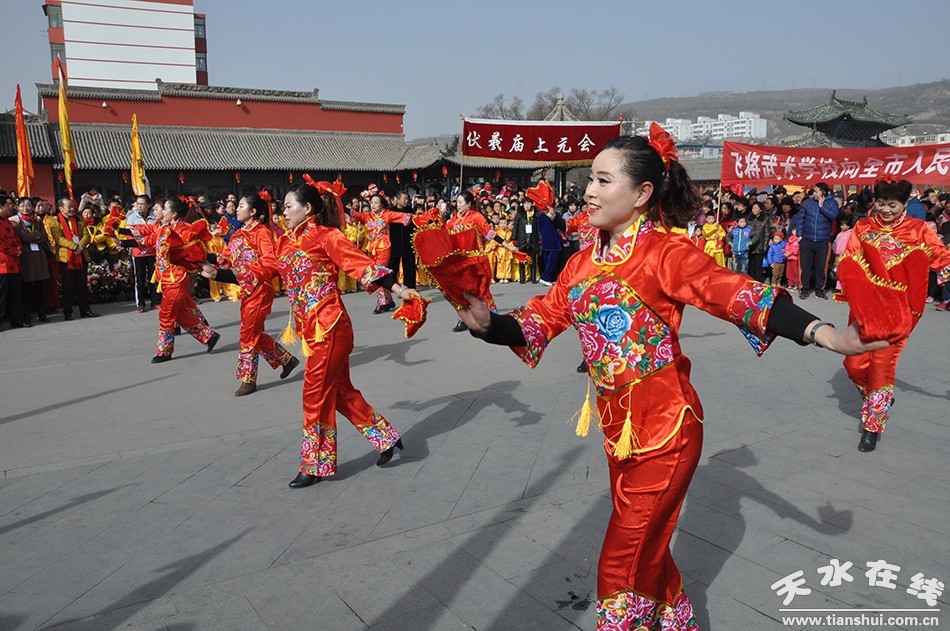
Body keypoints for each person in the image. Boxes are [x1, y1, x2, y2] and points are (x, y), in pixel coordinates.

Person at [454, 127, 885, 631]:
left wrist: (824, 333)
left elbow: (733, 293)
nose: (589, 191)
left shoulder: (665, 254)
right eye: (590, 179)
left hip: (667, 429)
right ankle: (679, 621)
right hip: (618, 431)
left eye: (603, 180)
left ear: (642, 194)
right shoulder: (579, 265)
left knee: (622, 559)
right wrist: (489, 326)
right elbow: (537, 322)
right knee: (649, 546)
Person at [271, 180, 420, 488]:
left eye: (288, 206)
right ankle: (385, 438)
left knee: (314, 393)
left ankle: (315, 464)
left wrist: (399, 289)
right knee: (339, 392)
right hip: (310, 331)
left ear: (307, 208)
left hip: (329, 327)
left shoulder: (327, 236)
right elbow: (265, 268)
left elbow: (361, 265)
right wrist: (218, 271)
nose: (283, 211)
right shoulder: (285, 241)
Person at [838, 178, 950, 453]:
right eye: (881, 204)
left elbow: (941, 257)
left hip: (900, 310)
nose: (886, 210)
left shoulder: (917, 229)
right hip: (865, 307)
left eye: (892, 205)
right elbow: (850, 259)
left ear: (904, 203)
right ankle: (879, 398)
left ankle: (872, 426)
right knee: (853, 364)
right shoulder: (863, 227)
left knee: (881, 367)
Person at [201, 191, 299, 396]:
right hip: (246, 290)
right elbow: (225, 258)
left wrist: (248, 274)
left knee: (247, 334)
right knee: (253, 332)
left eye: (241, 205)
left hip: (260, 289)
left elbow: (270, 261)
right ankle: (286, 360)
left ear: (253, 211)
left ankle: (248, 379)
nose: (237, 209)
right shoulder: (238, 234)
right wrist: (200, 256)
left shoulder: (261, 233)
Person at [120, 197, 220, 362]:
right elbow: (148, 239)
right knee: (178, 314)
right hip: (166, 280)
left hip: (176, 279)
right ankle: (208, 336)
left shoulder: (183, 230)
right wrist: (122, 234)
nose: (161, 211)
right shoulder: (164, 228)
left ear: (173, 213)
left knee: (166, 316)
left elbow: (193, 252)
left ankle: (164, 351)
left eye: (165, 209)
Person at [350, 192, 412, 313]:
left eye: (376, 203)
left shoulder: (387, 215)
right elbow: (356, 215)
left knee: (378, 274)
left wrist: (420, 218)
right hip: (372, 250)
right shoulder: (368, 216)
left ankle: (383, 302)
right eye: (372, 203)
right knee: (378, 275)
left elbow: (402, 216)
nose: (373, 205)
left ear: (382, 204)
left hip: (384, 249)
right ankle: (388, 301)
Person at [48, 197, 98, 320]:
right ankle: (68, 312)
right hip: (66, 258)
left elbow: (86, 235)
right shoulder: (54, 221)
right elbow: (58, 238)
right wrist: (74, 247)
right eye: (69, 207)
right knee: (68, 286)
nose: (72, 209)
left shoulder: (79, 219)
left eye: (72, 206)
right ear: (61, 208)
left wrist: (80, 246)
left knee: (82, 286)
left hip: (81, 256)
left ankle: (85, 310)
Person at [795, 182, 839, 299]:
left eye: (816, 191)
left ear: (823, 192)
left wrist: (821, 207)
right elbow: (801, 219)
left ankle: (820, 289)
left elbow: (833, 216)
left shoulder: (832, 203)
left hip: (822, 240)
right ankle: (804, 288)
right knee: (805, 266)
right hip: (807, 239)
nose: (814, 193)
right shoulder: (808, 203)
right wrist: (799, 234)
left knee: (821, 267)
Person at [12, 197, 52, 323]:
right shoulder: (15, 221)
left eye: (28, 205)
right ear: (18, 207)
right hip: (26, 258)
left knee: (41, 288)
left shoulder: (37, 220)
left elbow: (44, 237)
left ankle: (42, 314)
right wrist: (35, 235)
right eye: (22, 205)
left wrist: (32, 237)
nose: (26, 208)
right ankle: (26, 316)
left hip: (39, 256)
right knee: (27, 290)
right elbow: (23, 238)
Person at [125, 194, 160, 312]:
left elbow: (156, 233)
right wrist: (140, 242)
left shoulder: (154, 217)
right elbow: (129, 235)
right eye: (138, 203)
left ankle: (155, 302)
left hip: (152, 251)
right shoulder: (131, 217)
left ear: (148, 205)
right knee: (140, 279)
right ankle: (140, 303)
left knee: (153, 277)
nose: (139, 206)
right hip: (138, 252)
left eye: (142, 204)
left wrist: (147, 240)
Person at [0, 192, 28, 329]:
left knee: (16, 294)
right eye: (8, 204)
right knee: (2, 295)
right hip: (3, 264)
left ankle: (17, 320)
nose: (11, 207)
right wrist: (14, 251)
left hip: (14, 263)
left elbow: (15, 238)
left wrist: (19, 247)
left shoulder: (7, 221)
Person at [512, 198, 540, 283]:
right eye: (525, 203)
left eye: (528, 203)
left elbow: (539, 228)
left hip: (533, 238)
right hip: (522, 238)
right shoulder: (520, 214)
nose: (526, 205)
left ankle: (533, 277)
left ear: (532, 204)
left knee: (533, 259)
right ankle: (522, 277)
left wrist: (540, 238)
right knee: (522, 259)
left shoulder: (536, 215)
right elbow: (515, 227)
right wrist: (514, 238)